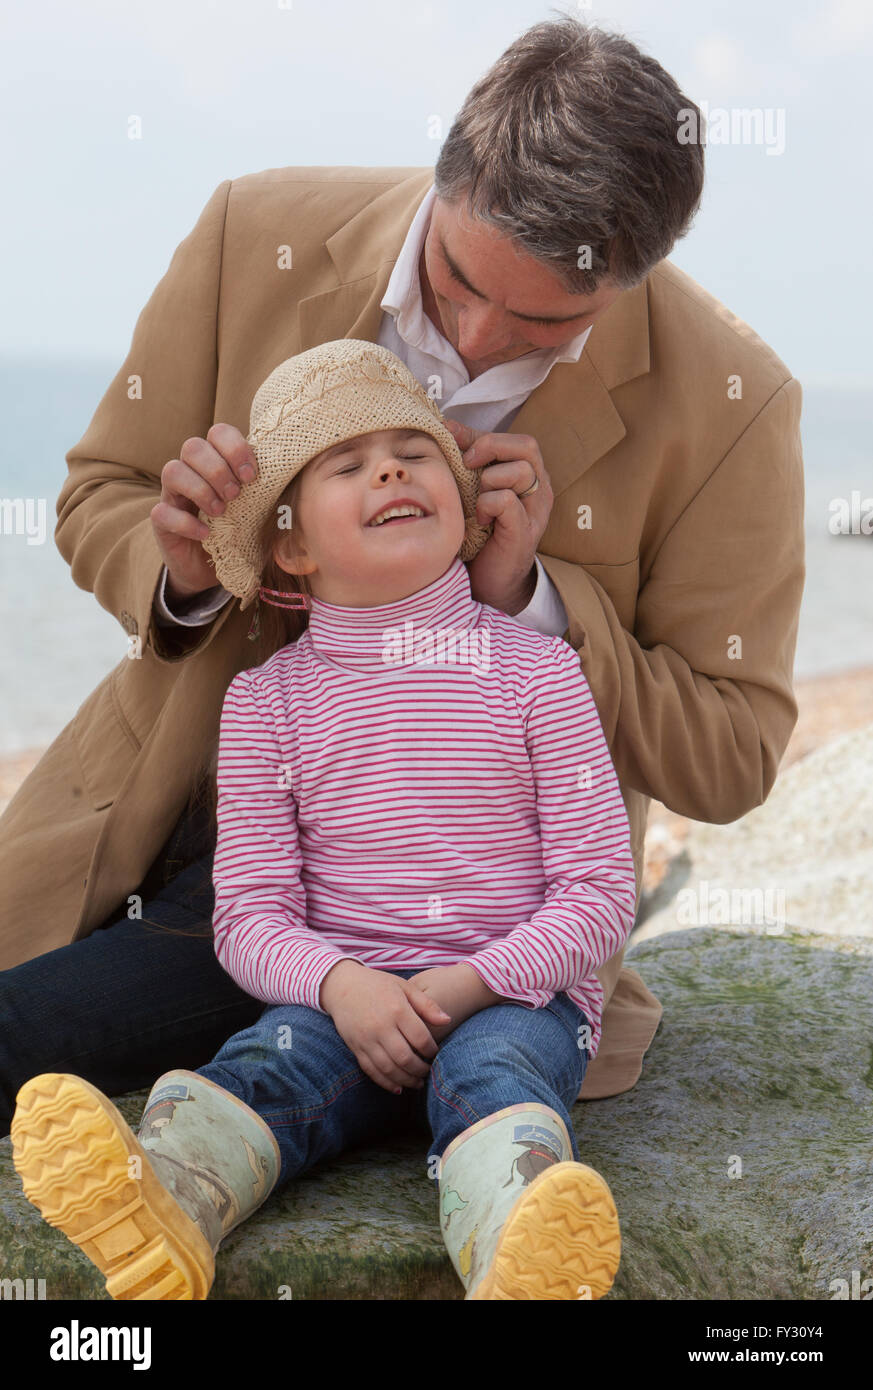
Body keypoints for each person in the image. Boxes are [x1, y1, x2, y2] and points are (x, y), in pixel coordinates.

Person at [0, 17, 802, 1131]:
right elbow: (100, 490)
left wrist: (533, 605)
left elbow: (734, 752)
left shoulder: (735, 403)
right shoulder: (253, 228)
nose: (475, 337)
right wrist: (182, 568)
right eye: (455, 280)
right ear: (446, 176)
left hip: (469, 927)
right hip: (164, 824)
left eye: (542, 323)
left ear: (632, 280)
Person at [11, 340, 638, 1302]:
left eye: (413, 452)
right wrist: (342, 986)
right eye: (346, 466)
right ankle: (164, 1200)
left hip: (513, 993)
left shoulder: (537, 673)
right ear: (291, 547)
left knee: (499, 1077)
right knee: (263, 1064)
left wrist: (474, 982)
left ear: (463, 502)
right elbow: (250, 915)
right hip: (338, 1007)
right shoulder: (269, 702)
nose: (388, 469)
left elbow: (598, 894)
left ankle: (519, 1249)